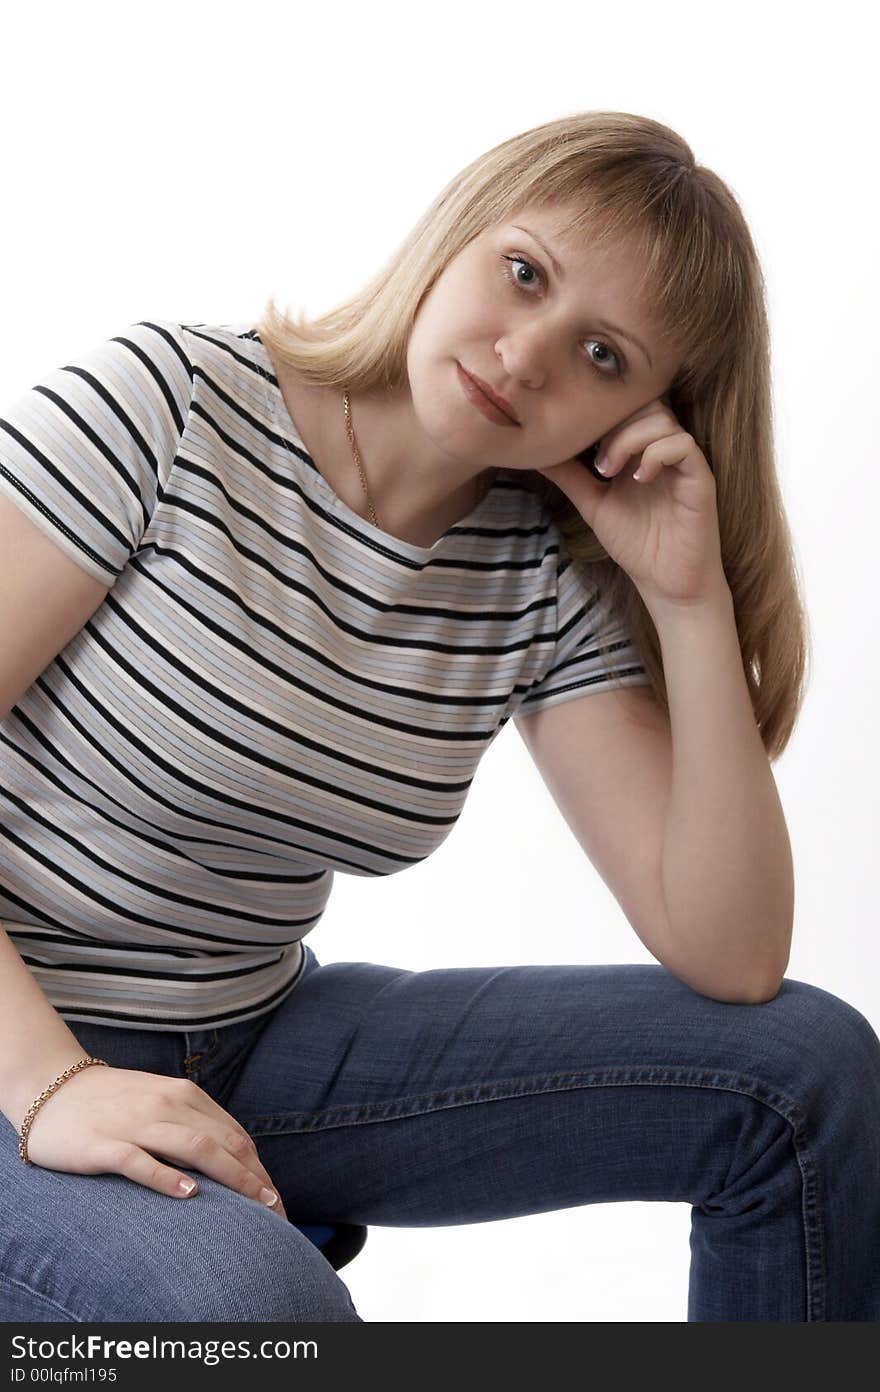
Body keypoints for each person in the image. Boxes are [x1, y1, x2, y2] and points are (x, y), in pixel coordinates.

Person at [0, 109, 878, 1324]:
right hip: (20, 1043)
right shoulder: (171, 406)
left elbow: (730, 955)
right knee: (259, 1317)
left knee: (801, 1080)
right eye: (523, 274)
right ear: (458, 232)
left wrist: (686, 599)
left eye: (604, 357)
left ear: (645, 415)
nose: (526, 358)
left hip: (246, 1039)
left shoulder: (537, 571)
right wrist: (51, 1085)